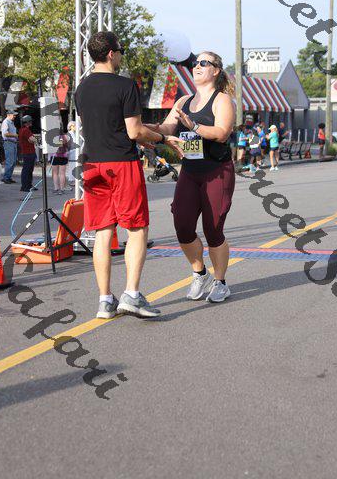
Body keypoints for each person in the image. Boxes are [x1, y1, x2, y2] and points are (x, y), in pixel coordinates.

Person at [74, 31, 182, 319]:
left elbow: (103, 127)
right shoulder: (125, 85)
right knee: (136, 228)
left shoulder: (81, 88)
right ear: (111, 53)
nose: (121, 55)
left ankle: (104, 301)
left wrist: (143, 138)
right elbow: (133, 131)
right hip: (122, 164)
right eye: (120, 50)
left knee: (103, 232)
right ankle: (132, 295)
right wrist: (162, 139)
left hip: (93, 164)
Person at [152, 51, 236, 303]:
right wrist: (146, 128)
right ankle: (200, 273)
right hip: (190, 171)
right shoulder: (183, 101)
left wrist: (194, 127)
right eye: (195, 63)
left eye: (203, 63)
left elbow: (222, 132)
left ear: (216, 70)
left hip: (217, 171)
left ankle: (220, 282)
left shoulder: (222, 100)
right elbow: (168, 127)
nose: (197, 66)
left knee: (213, 230)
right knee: (183, 225)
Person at [18, 115, 37, 192]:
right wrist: (35, 139)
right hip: (29, 152)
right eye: (30, 121)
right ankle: (25, 186)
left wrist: (32, 140)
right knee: (27, 170)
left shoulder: (21, 130)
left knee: (27, 170)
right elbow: (32, 139)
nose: (31, 122)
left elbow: (30, 140)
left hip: (26, 152)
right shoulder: (26, 130)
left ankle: (28, 185)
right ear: (27, 122)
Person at [1, 109, 18, 184]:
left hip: (12, 143)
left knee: (13, 162)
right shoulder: (6, 122)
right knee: (10, 161)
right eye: (13, 115)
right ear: (9, 115)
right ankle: (6, 178)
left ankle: (8, 177)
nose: (15, 116)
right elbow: (5, 134)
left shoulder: (11, 122)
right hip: (8, 143)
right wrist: (15, 135)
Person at [51, 128, 69, 195]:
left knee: (55, 173)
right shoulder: (64, 137)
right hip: (63, 156)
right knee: (62, 173)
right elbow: (67, 146)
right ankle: (62, 189)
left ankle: (56, 188)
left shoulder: (52, 136)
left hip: (54, 156)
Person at [66, 120, 77, 187]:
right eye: (74, 125)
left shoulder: (76, 133)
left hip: (76, 151)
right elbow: (67, 144)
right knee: (72, 166)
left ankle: (76, 180)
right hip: (71, 152)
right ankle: (72, 180)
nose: (76, 127)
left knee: (76, 165)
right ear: (71, 126)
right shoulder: (68, 134)